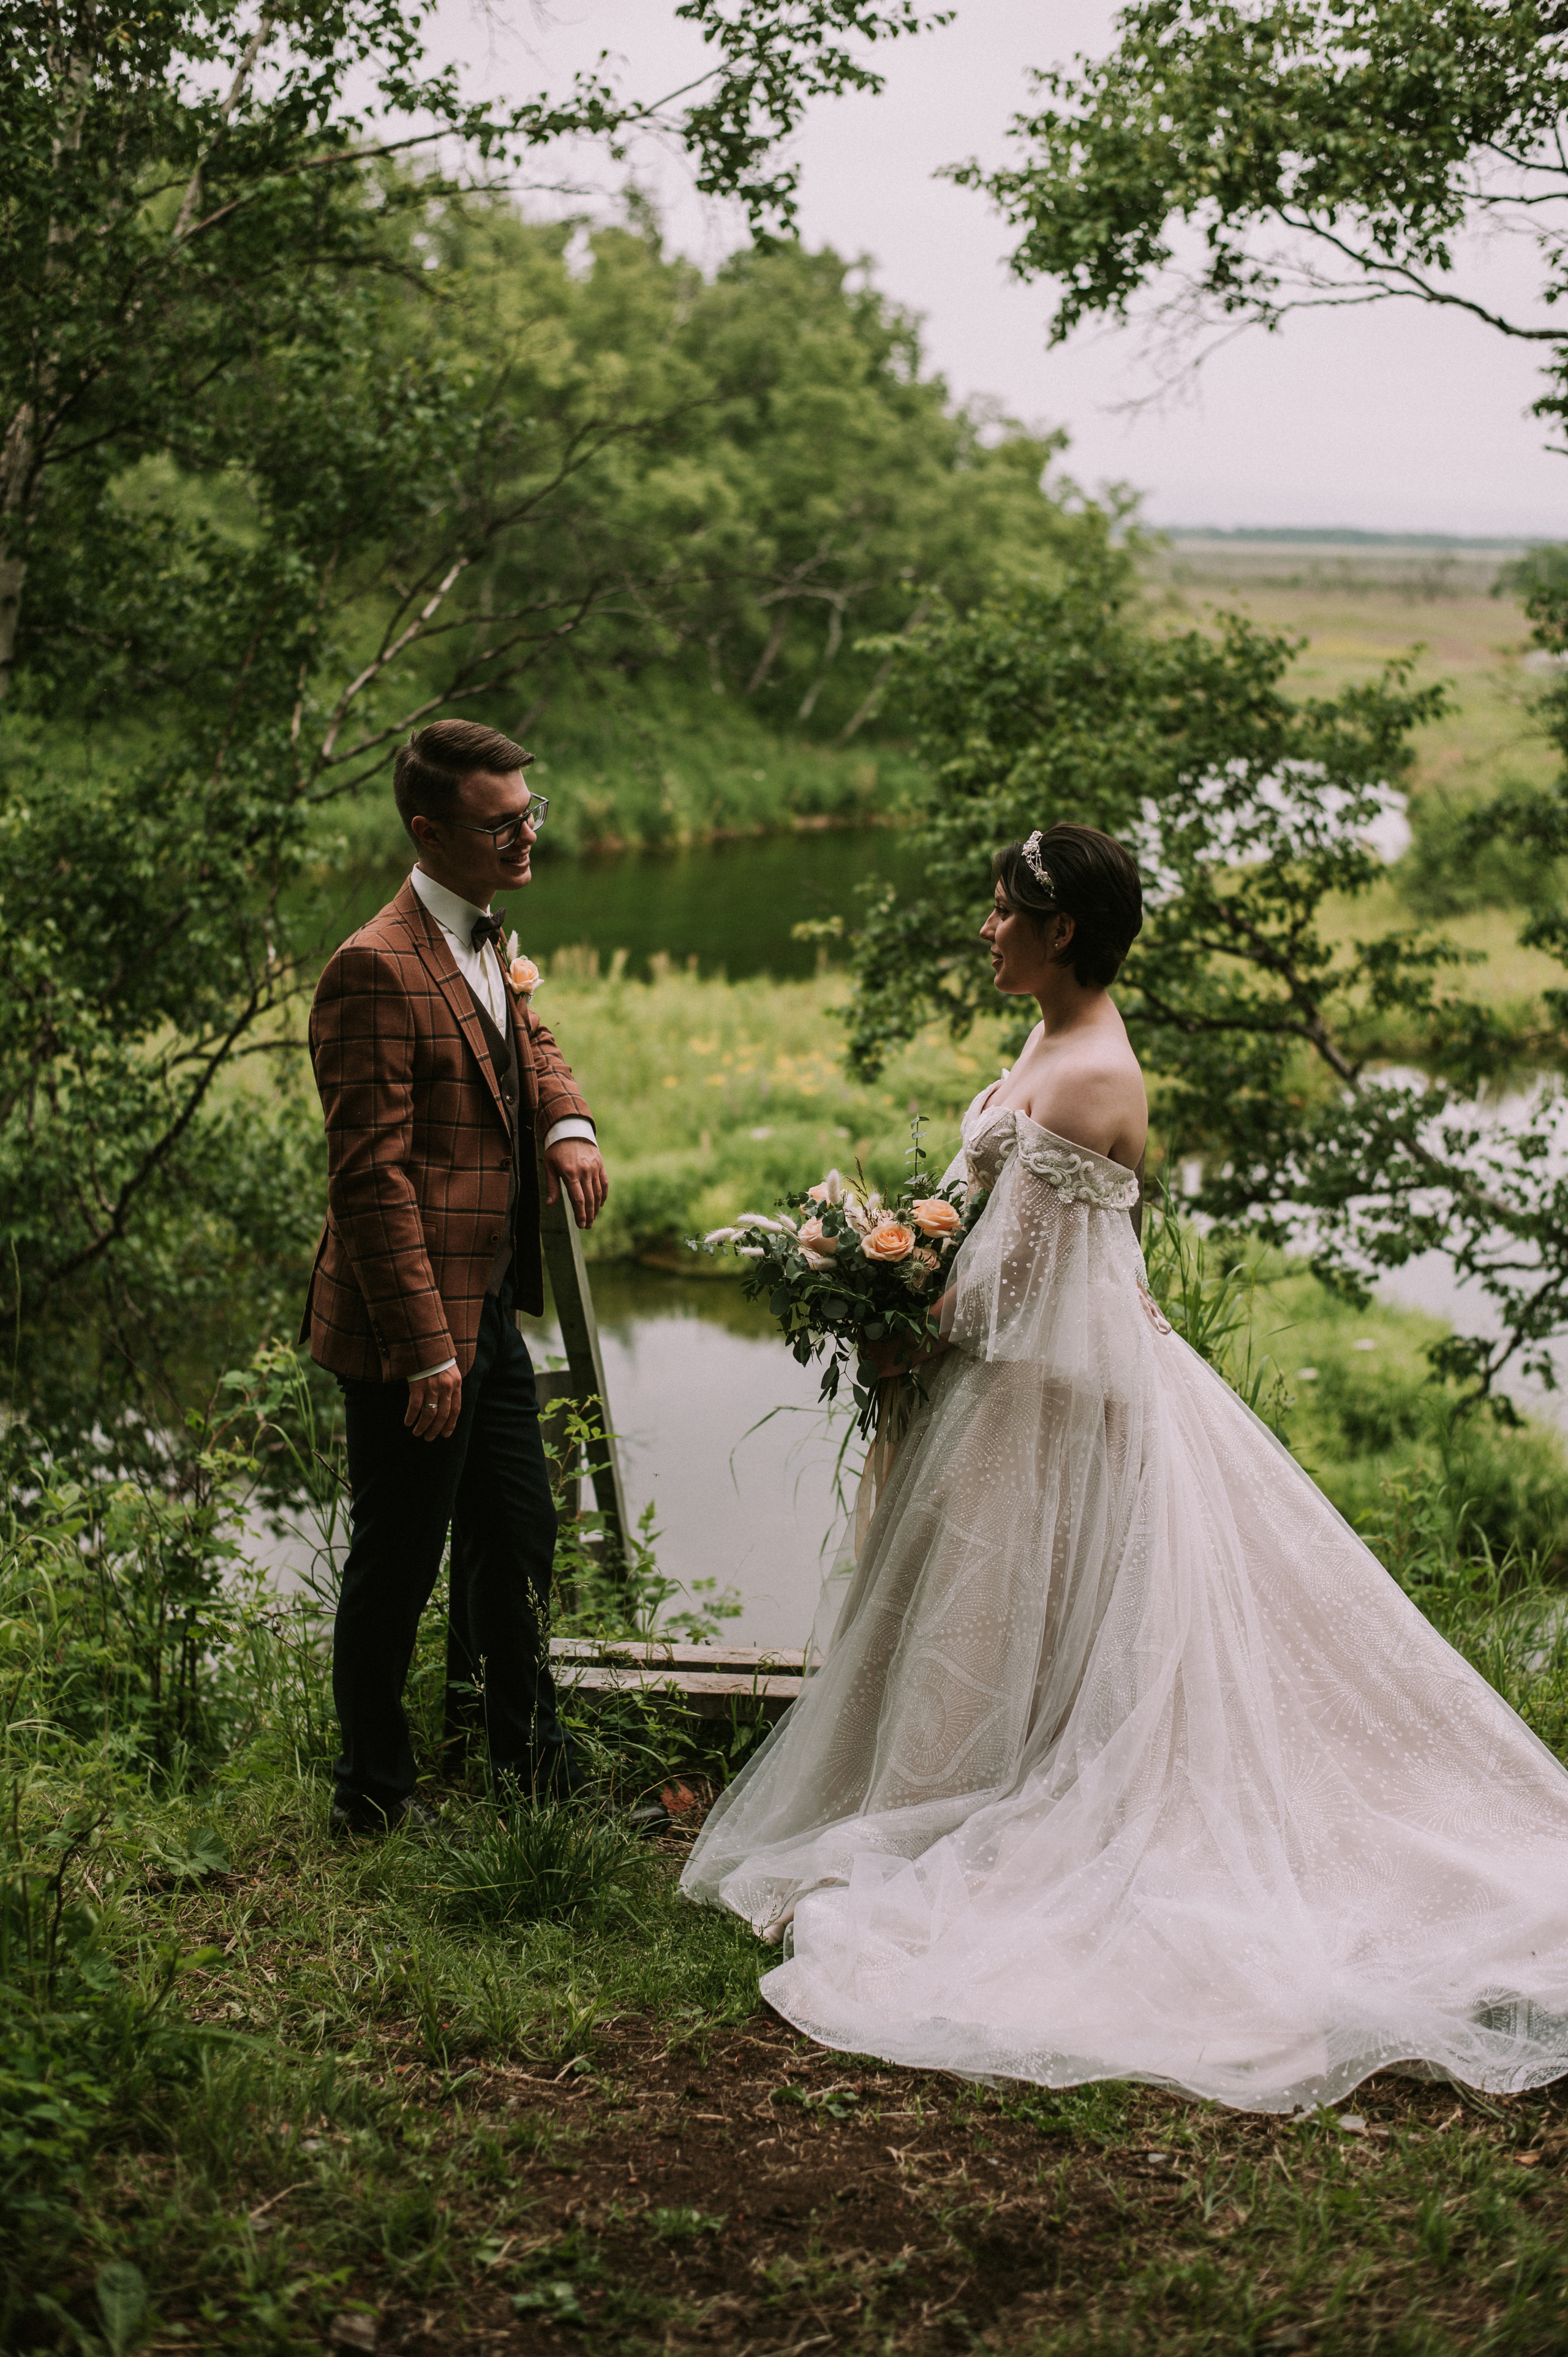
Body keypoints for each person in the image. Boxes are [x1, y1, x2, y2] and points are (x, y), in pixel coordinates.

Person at [683, 820, 1568, 2113]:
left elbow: (1011, 1284)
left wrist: (896, 1319)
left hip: (1040, 1398)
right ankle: (943, 1787)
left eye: (1004, 910)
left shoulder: (1094, 1072)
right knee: (979, 1615)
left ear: (1061, 930)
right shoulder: (1049, 1035)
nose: (985, 926)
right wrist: (893, 1266)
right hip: (1019, 1377)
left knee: (1010, 1612)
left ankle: (978, 1808)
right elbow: (1005, 1234)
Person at [300, 718, 608, 1834]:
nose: (525, 837)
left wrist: (565, 1119)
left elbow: (524, 1035)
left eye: (531, 813)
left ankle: (523, 1763)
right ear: (430, 832)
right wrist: (427, 1348)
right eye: (500, 824)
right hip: (411, 1323)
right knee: (400, 1559)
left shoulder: (484, 929)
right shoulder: (372, 968)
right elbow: (369, 1180)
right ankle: (373, 1796)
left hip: (486, 1302)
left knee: (519, 1538)